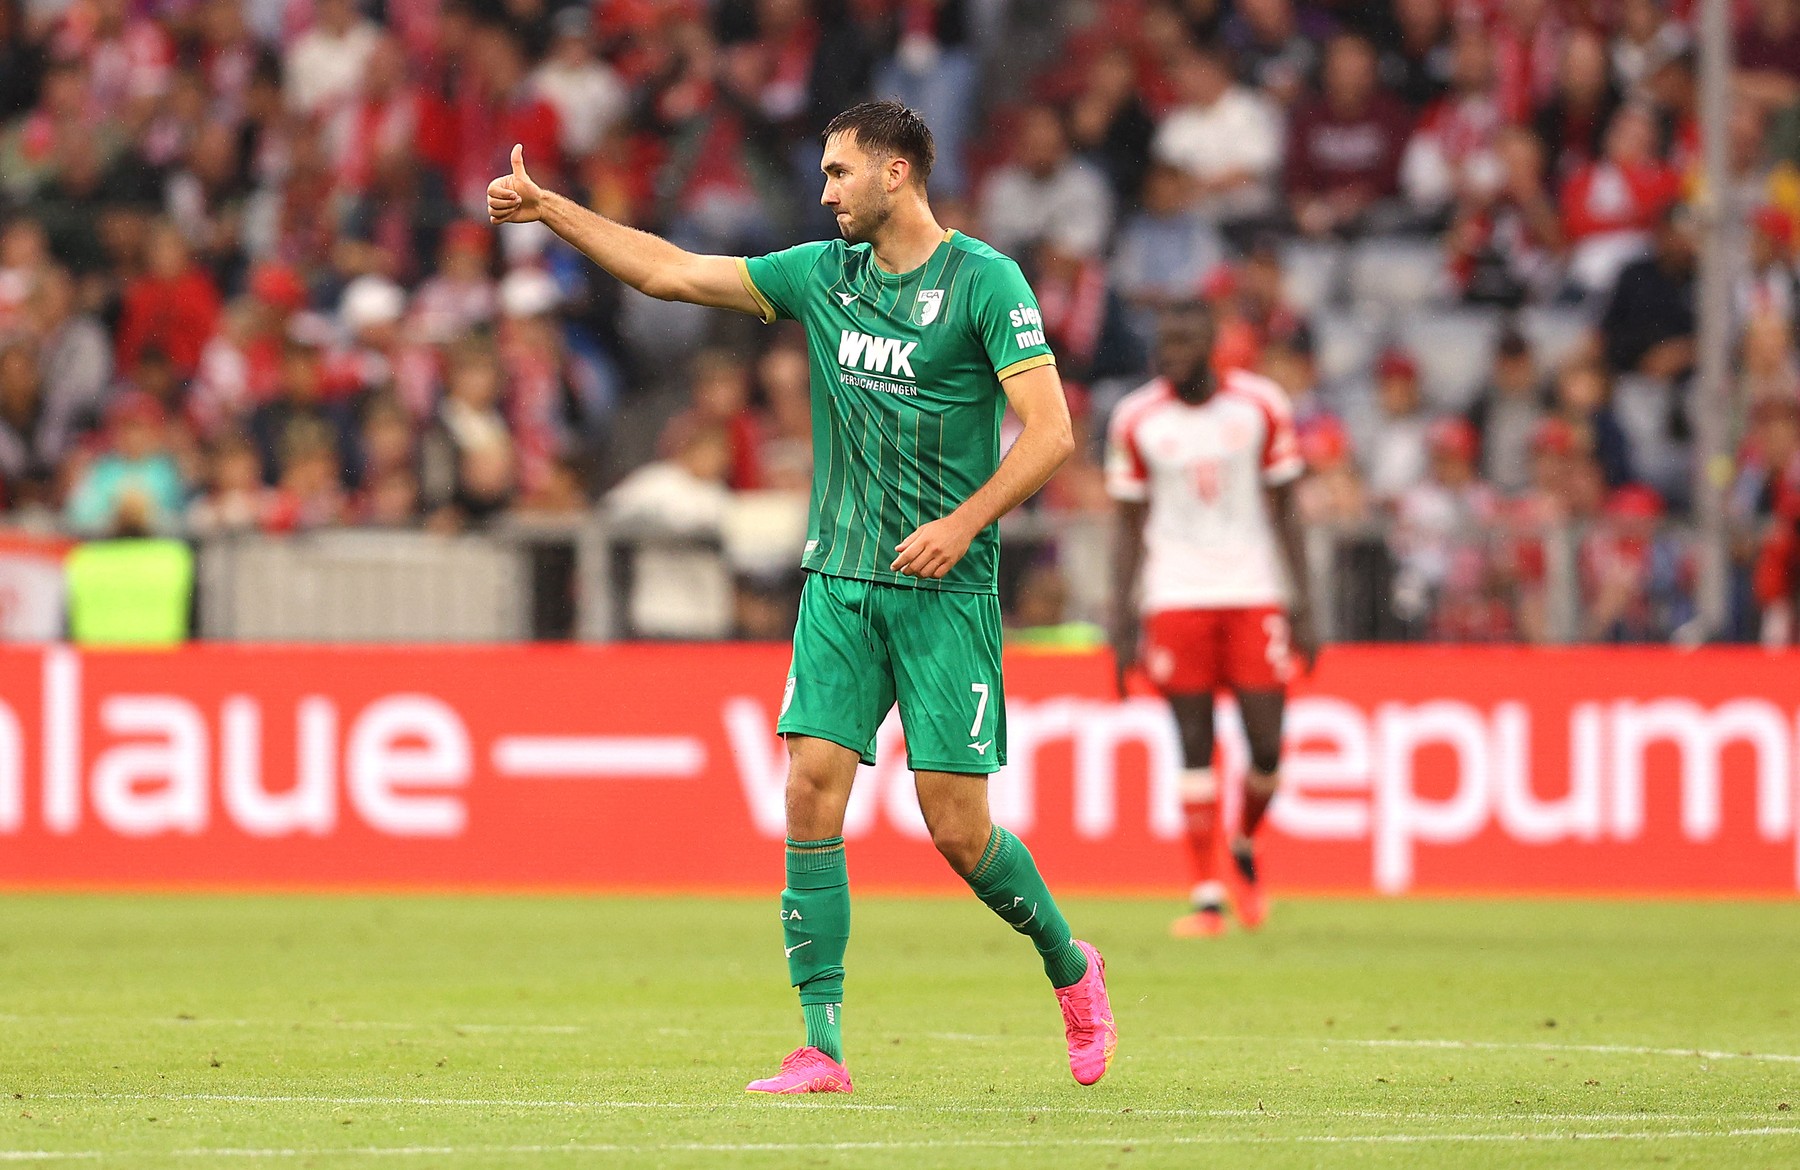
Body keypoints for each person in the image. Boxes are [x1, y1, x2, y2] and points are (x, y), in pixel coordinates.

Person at [488, 99, 1115, 1093]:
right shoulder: (824, 277)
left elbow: (1050, 433)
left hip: (945, 589)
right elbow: (670, 271)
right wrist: (554, 209)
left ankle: (1070, 966)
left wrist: (963, 524)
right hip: (841, 580)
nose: (823, 192)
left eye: (838, 173)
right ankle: (821, 1045)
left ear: (896, 174)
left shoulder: (987, 282)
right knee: (810, 786)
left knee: (956, 826)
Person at [1106, 300, 1318, 938]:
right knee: (1193, 742)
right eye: (1165, 339)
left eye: (1185, 339)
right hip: (1175, 595)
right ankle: (1205, 895)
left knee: (1269, 747)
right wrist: (1122, 621)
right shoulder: (1137, 418)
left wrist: (1305, 603)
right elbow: (1127, 526)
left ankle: (1244, 843)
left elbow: (1287, 510)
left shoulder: (1260, 407)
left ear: (1211, 344)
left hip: (1253, 588)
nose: (1172, 351)